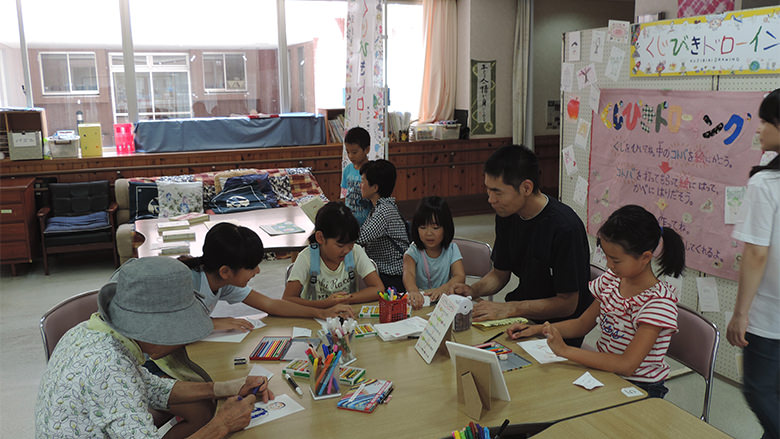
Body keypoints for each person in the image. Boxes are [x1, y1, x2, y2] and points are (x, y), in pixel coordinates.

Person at [35, 257, 273, 439]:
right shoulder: (110, 369)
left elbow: (154, 387)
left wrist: (232, 386)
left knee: (202, 409)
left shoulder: (90, 333)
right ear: (154, 330)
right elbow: (126, 384)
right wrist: (222, 424)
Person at [507, 205, 685, 399]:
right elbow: (582, 324)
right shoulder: (613, 280)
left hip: (640, 388)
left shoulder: (657, 304)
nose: (609, 265)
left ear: (645, 258)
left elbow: (627, 365)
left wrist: (565, 350)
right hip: (606, 373)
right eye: (607, 257)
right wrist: (538, 329)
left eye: (616, 260)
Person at [448, 144, 592, 346]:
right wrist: (472, 291)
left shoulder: (564, 228)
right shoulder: (507, 214)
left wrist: (511, 308)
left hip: (558, 330)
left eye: (497, 192)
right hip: (521, 318)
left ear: (526, 187)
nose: (490, 200)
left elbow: (568, 304)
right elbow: (500, 274)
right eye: (488, 190)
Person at [179, 222, 356, 330]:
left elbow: (271, 304)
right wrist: (211, 324)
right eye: (251, 267)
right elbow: (173, 330)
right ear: (225, 271)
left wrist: (321, 312)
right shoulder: (186, 285)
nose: (258, 271)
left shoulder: (223, 282)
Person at [727, 88, 780, 439]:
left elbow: (757, 253)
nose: (758, 129)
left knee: (759, 390)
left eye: (764, 121)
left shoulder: (765, 183)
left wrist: (740, 313)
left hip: (768, 316)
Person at [283, 201, 385, 307]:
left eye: (351, 244)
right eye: (340, 245)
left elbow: (378, 289)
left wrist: (346, 299)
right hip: (315, 317)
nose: (347, 250)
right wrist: (323, 304)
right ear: (320, 238)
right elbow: (287, 299)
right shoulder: (307, 258)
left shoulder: (355, 252)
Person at [357, 159, 411, 292]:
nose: (360, 185)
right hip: (386, 273)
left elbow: (359, 238)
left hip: (392, 276)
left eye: (363, 181)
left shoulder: (384, 211)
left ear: (375, 187)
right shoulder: (382, 207)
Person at [402, 196, 465, 309]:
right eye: (423, 227)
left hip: (444, 303)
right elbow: (408, 274)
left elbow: (460, 276)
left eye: (435, 228)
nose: (429, 233)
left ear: (446, 228)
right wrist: (413, 291)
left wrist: (445, 288)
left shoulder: (451, 249)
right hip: (421, 303)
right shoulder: (413, 251)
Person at [341, 126, 373, 226]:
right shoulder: (347, 170)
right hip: (350, 223)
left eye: (354, 152)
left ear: (367, 150)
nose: (350, 156)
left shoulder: (372, 170)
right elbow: (345, 195)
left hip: (367, 224)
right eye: (348, 152)